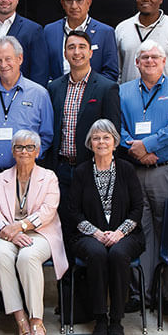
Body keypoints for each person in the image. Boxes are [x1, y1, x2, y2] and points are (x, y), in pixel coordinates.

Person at [119, 40, 168, 310]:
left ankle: (165, 295)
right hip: (134, 171)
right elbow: (117, 127)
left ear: (165, 62)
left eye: (155, 57)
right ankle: (139, 295)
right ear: (136, 63)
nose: (150, 61)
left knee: (167, 232)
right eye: (144, 57)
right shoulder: (123, 91)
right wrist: (135, 149)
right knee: (138, 231)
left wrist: (148, 146)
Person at [0, 130, 67, 335]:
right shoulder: (0, 179)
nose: (24, 151)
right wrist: (10, 231)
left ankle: (36, 321)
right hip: (5, 233)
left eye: (29, 147)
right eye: (19, 147)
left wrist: (20, 226)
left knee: (27, 257)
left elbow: (48, 211)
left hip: (41, 233)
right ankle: (19, 317)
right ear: (12, 151)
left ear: (38, 152)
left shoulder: (49, 177)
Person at [69, 119, 144, 335]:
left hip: (127, 234)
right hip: (88, 235)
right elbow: (73, 211)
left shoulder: (127, 170)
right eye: (96, 138)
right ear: (90, 143)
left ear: (115, 142)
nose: (101, 142)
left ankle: (116, 321)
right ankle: (100, 318)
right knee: (98, 253)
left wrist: (119, 233)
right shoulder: (81, 172)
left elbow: (138, 208)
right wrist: (96, 233)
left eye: (106, 137)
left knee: (119, 254)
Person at [45, 29, 121, 228]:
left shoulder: (107, 87)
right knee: (62, 224)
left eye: (81, 47)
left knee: (90, 223)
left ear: (90, 52)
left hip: (91, 168)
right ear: (64, 53)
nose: (76, 52)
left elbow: (114, 131)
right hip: (60, 168)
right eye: (71, 47)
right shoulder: (54, 88)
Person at [0, 36, 54, 198]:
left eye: (8, 59)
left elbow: (46, 136)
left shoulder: (39, 94)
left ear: (20, 59)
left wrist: (27, 161)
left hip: (25, 176)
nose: (3, 65)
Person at [43, 0, 119, 82]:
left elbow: (111, 73)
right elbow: (43, 70)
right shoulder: (49, 31)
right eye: (69, 0)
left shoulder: (105, 32)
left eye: (79, 0)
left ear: (88, 2)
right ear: (63, 3)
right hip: (56, 94)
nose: (74, 6)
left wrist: (87, 90)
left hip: (93, 95)